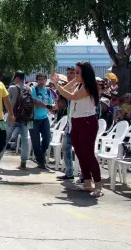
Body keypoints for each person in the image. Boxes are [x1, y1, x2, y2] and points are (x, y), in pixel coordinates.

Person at [53, 61, 102, 197]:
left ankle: (98, 185)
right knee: (80, 153)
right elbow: (66, 91)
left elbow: (71, 96)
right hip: (76, 121)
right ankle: (87, 183)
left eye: (78, 72)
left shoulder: (90, 86)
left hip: (87, 121)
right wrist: (70, 80)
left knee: (88, 154)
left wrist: (57, 85)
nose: (75, 74)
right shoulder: (79, 84)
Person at [0, 71, 30, 170]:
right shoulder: (29, 89)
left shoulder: (12, 88)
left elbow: (7, 102)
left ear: (17, 78)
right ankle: (23, 163)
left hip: (12, 117)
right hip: (24, 118)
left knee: (5, 139)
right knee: (25, 140)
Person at [30, 73, 55, 169]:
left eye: (43, 79)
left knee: (47, 138)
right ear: (37, 81)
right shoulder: (34, 89)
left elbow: (50, 104)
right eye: (39, 79)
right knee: (35, 142)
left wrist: (53, 108)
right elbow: (35, 102)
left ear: (46, 80)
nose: (41, 81)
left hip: (44, 118)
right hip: (34, 119)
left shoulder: (48, 91)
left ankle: (42, 153)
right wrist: (48, 106)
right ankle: (41, 161)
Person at [58, 67, 77, 181]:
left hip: (79, 123)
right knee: (66, 148)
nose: (69, 75)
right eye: (68, 73)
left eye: (72, 73)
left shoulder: (79, 87)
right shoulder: (70, 87)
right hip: (70, 123)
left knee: (80, 151)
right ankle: (69, 173)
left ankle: (85, 176)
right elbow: (62, 91)